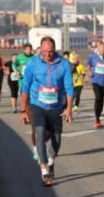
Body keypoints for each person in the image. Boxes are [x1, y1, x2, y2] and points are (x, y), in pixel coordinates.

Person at [19, 36, 75, 187]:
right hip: (38, 104)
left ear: (54, 50)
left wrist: (69, 108)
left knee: (56, 140)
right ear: (41, 50)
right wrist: (23, 109)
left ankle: (50, 162)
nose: (48, 54)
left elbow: (69, 87)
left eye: (50, 51)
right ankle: (44, 171)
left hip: (57, 107)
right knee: (40, 133)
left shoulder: (63, 64)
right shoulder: (33, 63)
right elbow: (25, 86)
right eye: (44, 51)